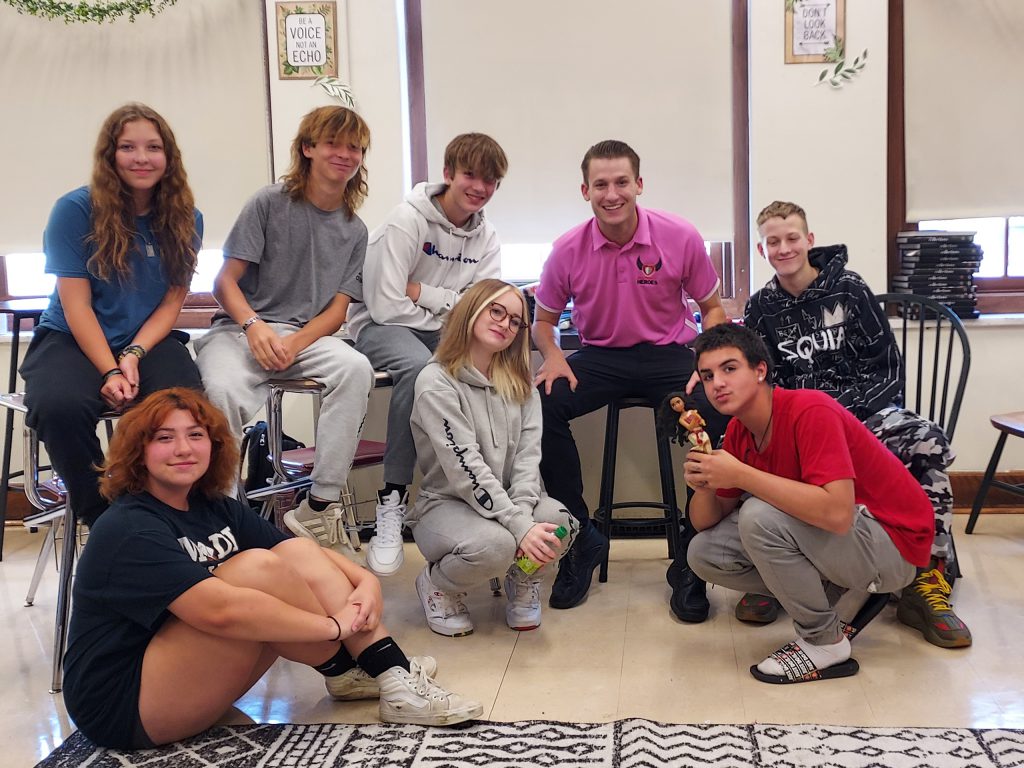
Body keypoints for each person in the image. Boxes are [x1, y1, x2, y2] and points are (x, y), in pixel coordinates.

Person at [62, 388, 482, 749]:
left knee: (291, 554)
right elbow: (219, 612)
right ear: (138, 451)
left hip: (178, 673)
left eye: (195, 435)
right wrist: (335, 628)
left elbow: (300, 552)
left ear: (214, 445)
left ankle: (389, 673)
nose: (184, 449)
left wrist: (364, 578)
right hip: (124, 705)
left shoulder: (212, 506)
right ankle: (358, 670)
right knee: (256, 570)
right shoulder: (128, 527)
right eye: (164, 438)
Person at [741, 200, 971, 648]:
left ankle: (926, 580)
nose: (784, 247)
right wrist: (807, 420)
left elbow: (885, 368)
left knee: (925, 442)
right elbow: (765, 383)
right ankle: (771, 576)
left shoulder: (849, 288)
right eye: (773, 241)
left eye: (792, 238)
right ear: (761, 249)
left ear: (809, 240)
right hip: (800, 422)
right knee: (756, 452)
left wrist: (843, 417)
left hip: (865, 414)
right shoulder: (760, 309)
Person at [532, 139, 729, 616]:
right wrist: (554, 356)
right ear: (585, 191)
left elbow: (712, 309)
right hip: (602, 357)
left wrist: (707, 364)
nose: (612, 193)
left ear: (639, 185)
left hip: (669, 352)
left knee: (717, 403)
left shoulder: (679, 235)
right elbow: (543, 321)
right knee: (541, 403)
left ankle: (690, 549)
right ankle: (581, 535)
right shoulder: (566, 250)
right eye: (601, 184)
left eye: (622, 182)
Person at [684, 323, 934, 684]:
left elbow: (836, 514)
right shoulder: (739, 431)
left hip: (895, 546)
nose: (717, 383)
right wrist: (704, 485)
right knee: (703, 552)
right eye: (707, 376)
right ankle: (835, 594)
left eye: (729, 368)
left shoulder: (810, 410)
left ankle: (825, 642)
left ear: (760, 370)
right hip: (843, 540)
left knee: (757, 516)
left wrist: (740, 475)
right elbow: (704, 524)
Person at [195, 106, 375, 546]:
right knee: (218, 390)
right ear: (308, 148)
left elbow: (337, 311)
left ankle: (319, 504)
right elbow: (224, 282)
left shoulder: (355, 230)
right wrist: (255, 327)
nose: (345, 154)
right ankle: (219, 511)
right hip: (239, 330)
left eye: (355, 147)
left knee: (355, 370)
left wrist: (294, 341)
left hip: (304, 336)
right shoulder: (268, 203)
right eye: (334, 143)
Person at [21, 103, 203, 528]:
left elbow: (173, 300)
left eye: (153, 147)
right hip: (72, 337)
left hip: (146, 339)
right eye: (128, 147)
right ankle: (103, 519)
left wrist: (135, 353)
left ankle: (170, 518)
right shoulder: (74, 210)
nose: (141, 158)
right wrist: (109, 371)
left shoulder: (186, 217)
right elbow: (76, 304)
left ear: (169, 157)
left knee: (188, 408)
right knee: (58, 406)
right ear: (110, 155)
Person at [347, 134, 507, 576]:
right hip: (382, 328)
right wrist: (450, 305)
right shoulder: (406, 222)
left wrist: (425, 293)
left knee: (483, 372)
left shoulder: (488, 237)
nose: (479, 186)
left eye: (490, 180)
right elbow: (385, 305)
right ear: (449, 174)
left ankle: (478, 495)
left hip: (438, 328)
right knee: (422, 371)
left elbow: (484, 305)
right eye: (470, 175)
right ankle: (392, 499)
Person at [407, 279, 577, 636]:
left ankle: (522, 578)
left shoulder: (520, 386)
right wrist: (519, 528)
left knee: (559, 524)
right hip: (447, 505)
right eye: (496, 311)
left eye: (515, 321)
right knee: (497, 546)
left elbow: (529, 461)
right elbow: (466, 470)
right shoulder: (435, 381)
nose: (505, 324)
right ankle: (437, 585)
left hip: (507, 501)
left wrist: (525, 515)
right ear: (471, 311)